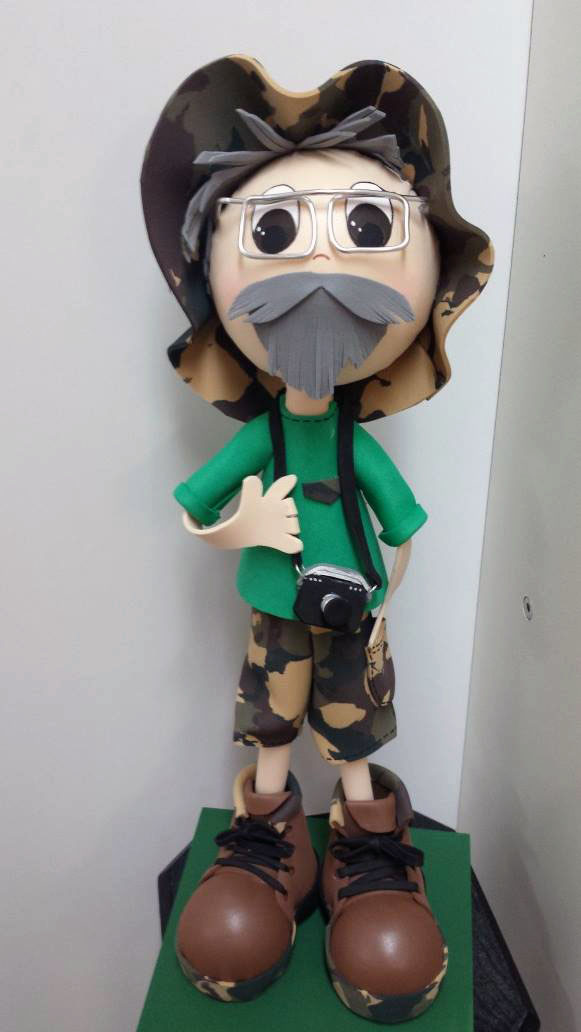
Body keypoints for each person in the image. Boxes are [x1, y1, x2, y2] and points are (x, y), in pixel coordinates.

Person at [141, 55, 493, 1023]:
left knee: (350, 732)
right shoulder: (259, 437)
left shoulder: (353, 441)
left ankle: (365, 843)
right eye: (275, 231)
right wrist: (241, 525)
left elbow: (403, 530)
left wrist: (378, 600)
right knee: (269, 724)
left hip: (347, 618)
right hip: (273, 613)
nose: (319, 272)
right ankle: (268, 840)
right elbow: (191, 506)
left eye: (368, 228)